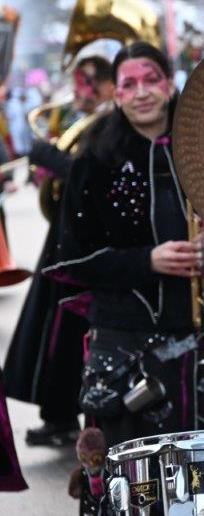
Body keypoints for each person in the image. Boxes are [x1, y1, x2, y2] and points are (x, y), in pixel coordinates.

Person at [43, 43, 203, 449]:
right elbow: (75, 259)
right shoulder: (95, 159)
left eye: (152, 80)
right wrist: (148, 260)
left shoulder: (203, 147)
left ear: (169, 84)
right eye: (129, 84)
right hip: (123, 340)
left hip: (203, 337)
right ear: (116, 94)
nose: (142, 92)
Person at [4, 55, 117, 447]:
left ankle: (67, 417)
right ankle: (58, 414)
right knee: (54, 330)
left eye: (90, 83)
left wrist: (48, 156)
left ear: (108, 86)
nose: (81, 92)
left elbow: (86, 174)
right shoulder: (80, 121)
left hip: (91, 247)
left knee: (70, 333)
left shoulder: (112, 124)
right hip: (66, 237)